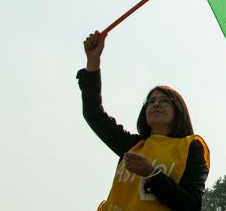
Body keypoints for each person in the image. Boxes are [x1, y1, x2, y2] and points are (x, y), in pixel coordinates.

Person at [78, 31, 210, 210]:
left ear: (179, 110)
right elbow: (93, 113)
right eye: (151, 101)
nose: (156, 104)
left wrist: (152, 174)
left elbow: (191, 205)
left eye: (164, 101)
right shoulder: (131, 145)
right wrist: (93, 61)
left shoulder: (191, 149)